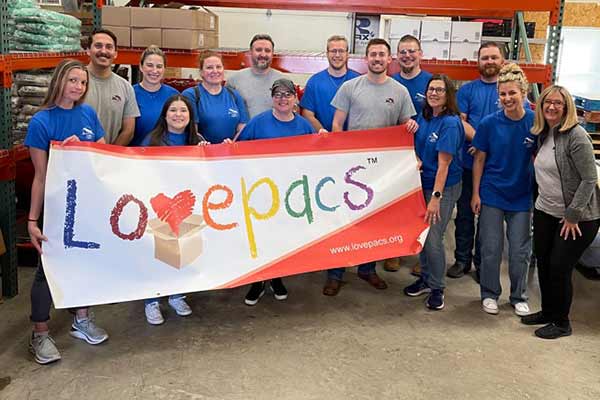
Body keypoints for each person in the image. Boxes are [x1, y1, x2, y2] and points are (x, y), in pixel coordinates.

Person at [25, 59, 108, 365]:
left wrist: (81, 151)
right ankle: (40, 332)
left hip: (86, 204)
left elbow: (102, 156)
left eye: (83, 82)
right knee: (47, 271)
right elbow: (41, 176)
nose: (78, 87)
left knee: (85, 262)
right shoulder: (41, 122)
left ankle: (81, 320)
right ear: (59, 80)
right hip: (58, 209)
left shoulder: (87, 114)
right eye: (73, 80)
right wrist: (33, 221)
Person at [324, 38, 417, 296]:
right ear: (366, 58)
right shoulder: (350, 87)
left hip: (381, 170)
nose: (377, 59)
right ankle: (335, 273)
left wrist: (411, 126)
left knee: (374, 220)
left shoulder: (400, 92)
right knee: (345, 220)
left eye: (382, 55)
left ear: (390, 60)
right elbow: (337, 125)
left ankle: (367, 269)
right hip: (351, 167)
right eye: (373, 54)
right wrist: (338, 158)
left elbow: (405, 127)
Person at [523, 85, 600, 339]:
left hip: (577, 218)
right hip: (546, 210)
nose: (552, 107)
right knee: (544, 262)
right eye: (547, 103)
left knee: (559, 266)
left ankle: (562, 322)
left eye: (558, 103)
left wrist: (573, 213)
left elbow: (589, 178)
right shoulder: (545, 133)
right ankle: (547, 311)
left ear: (566, 107)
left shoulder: (577, 136)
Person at [236, 78, 314, 305]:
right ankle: (258, 281)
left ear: (295, 99)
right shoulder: (258, 123)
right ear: (272, 98)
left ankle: (277, 277)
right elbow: (237, 149)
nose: (282, 99)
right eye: (278, 95)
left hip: (290, 193)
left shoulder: (303, 126)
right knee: (260, 238)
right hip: (260, 191)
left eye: (287, 94)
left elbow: (316, 157)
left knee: (281, 237)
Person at [470, 63, 535, 317]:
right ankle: (489, 293)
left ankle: (518, 296)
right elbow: (479, 159)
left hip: (521, 195)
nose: (507, 98)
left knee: (520, 250)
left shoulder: (534, 122)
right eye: (503, 94)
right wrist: (476, 193)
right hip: (492, 193)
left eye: (512, 93)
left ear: (523, 92)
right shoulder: (488, 123)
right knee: (490, 247)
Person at [140, 94, 208, 323]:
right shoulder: (152, 140)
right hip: (159, 207)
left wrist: (209, 152)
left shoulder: (196, 139)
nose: (178, 115)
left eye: (183, 111)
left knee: (182, 252)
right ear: (165, 115)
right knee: (158, 252)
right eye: (173, 111)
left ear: (190, 116)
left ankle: (176, 295)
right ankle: (151, 300)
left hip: (185, 209)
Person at [403, 75, 464, 310]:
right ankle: (426, 279)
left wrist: (436, 199)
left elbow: (444, 165)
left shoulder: (449, 123)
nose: (434, 93)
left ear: (448, 95)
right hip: (423, 183)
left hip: (443, 187)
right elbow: (417, 147)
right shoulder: (425, 116)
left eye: (439, 90)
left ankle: (438, 288)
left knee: (434, 238)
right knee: (424, 235)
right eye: (431, 89)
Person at [448, 42, 505, 280]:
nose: (489, 61)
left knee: (488, 219)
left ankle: (482, 264)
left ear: (503, 61)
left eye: (494, 57)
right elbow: (460, 121)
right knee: (464, 214)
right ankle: (462, 259)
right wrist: (480, 142)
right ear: (478, 61)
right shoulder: (468, 91)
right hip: (468, 164)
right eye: (484, 58)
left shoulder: (508, 91)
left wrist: (486, 147)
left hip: (495, 168)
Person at [386, 34, 434, 274]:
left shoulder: (431, 83)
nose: (407, 56)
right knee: (395, 206)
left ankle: (420, 256)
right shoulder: (390, 82)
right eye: (403, 52)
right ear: (396, 56)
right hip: (396, 157)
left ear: (420, 54)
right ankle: (395, 252)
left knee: (421, 206)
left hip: (424, 153)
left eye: (412, 51)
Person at [85, 29, 140, 145]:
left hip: (109, 157)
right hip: (77, 154)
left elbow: (128, 130)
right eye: (98, 46)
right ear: (88, 50)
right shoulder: (74, 82)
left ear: (115, 53)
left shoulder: (125, 87)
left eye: (109, 47)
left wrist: (109, 155)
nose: (103, 51)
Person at [182, 51, 249, 143]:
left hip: (230, 151)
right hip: (203, 152)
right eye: (209, 67)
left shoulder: (234, 95)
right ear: (201, 72)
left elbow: (242, 128)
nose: (215, 71)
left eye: (218, 67)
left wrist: (232, 143)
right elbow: (192, 131)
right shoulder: (191, 95)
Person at [300, 35, 360, 132]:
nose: (337, 55)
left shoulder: (358, 81)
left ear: (347, 54)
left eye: (341, 51)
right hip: (322, 141)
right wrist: (322, 132)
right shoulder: (314, 82)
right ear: (327, 54)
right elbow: (307, 113)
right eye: (333, 51)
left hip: (352, 139)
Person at [226, 34, 284, 118]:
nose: (263, 54)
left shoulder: (283, 81)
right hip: (244, 130)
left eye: (267, 50)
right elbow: (227, 110)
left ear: (272, 54)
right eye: (258, 50)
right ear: (250, 52)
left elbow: (292, 112)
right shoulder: (234, 80)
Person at [131, 45, 179, 146]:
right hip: (136, 155)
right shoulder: (130, 93)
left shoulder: (174, 95)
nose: (154, 70)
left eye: (159, 66)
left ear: (164, 69)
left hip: (165, 155)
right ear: (141, 66)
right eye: (149, 65)